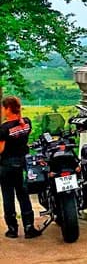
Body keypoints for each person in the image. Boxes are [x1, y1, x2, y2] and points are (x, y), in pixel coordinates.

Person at [0, 96, 41, 239]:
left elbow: (1, 149)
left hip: (7, 165)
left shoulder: (4, 129)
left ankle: (12, 229)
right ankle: (29, 227)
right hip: (23, 164)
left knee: (8, 197)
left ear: (8, 109)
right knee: (23, 195)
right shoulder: (27, 123)